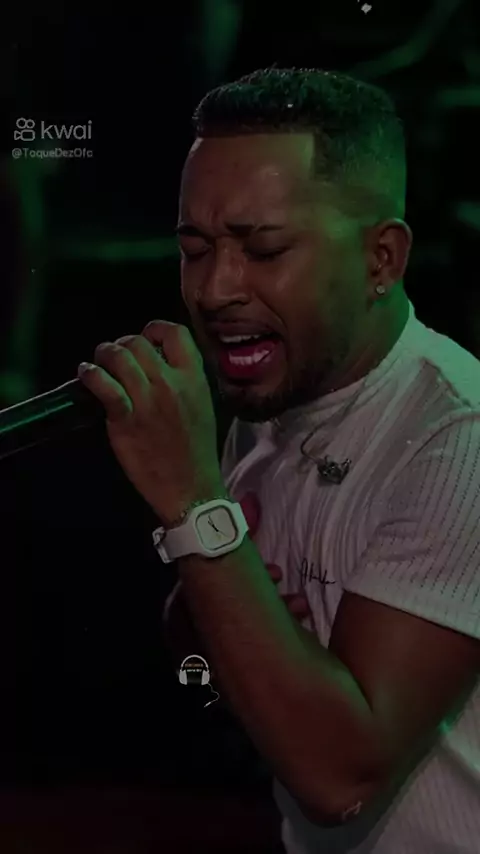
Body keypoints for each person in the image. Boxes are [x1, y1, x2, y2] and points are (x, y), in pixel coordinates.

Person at [77, 68, 480, 853]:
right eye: (194, 250)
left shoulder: (457, 439)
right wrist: (214, 598)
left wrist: (195, 506)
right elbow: (203, 672)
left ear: (381, 259)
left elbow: (337, 780)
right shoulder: (274, 401)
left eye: (263, 249)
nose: (216, 289)